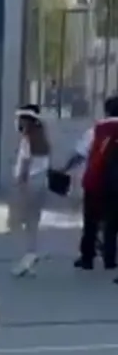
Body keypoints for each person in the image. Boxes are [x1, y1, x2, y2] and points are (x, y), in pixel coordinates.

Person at [62, 95, 118, 271]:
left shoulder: (96, 129)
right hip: (116, 185)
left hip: (95, 182)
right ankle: (110, 259)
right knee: (113, 223)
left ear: (107, 110)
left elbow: (80, 153)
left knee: (90, 221)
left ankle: (87, 258)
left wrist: (64, 169)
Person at [8, 104, 52, 277]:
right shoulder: (42, 139)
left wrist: (20, 184)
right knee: (33, 222)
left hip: (28, 182)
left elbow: (25, 165)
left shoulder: (27, 140)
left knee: (15, 222)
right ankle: (31, 255)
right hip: (41, 182)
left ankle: (26, 257)